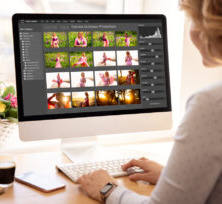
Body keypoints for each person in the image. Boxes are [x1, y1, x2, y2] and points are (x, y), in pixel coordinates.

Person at [77, 0, 222, 203]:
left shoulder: (211, 104)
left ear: (209, 25)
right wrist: (169, 177)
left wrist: (107, 189)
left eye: (193, 19)